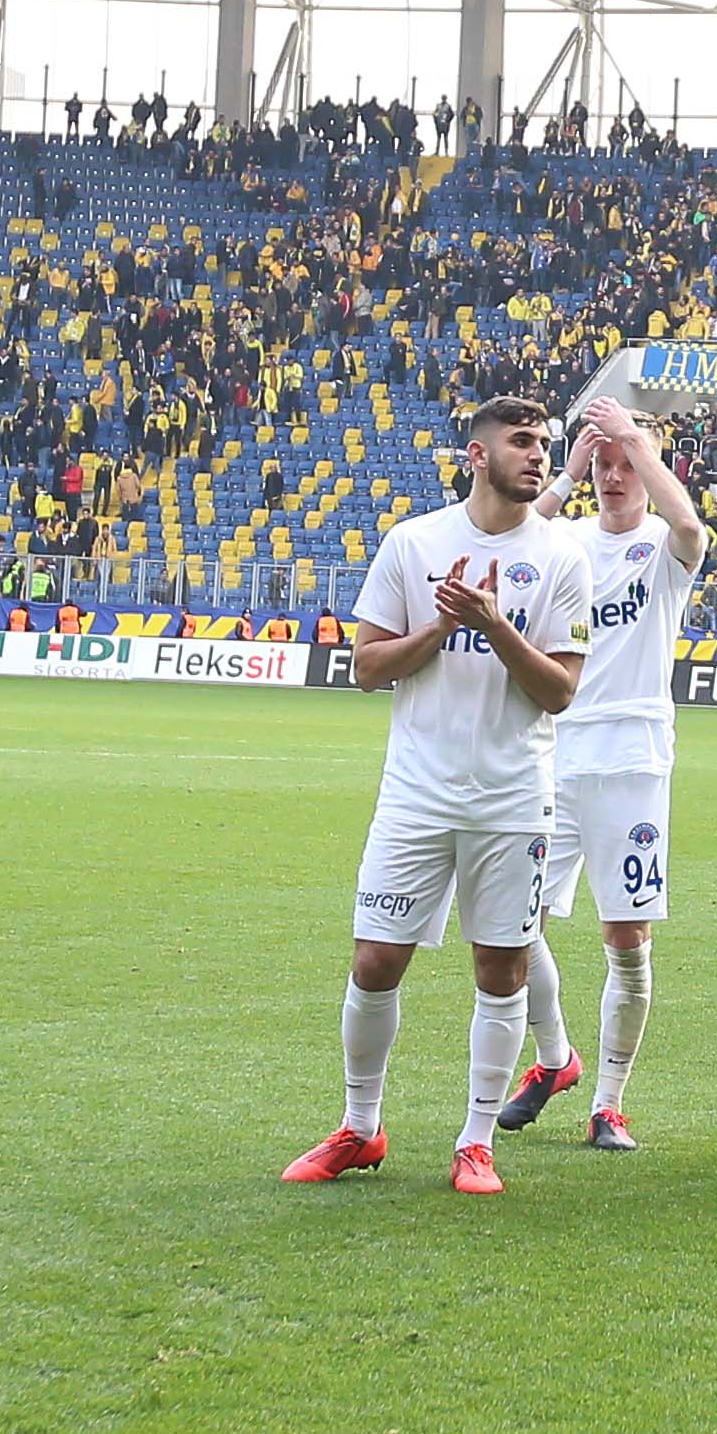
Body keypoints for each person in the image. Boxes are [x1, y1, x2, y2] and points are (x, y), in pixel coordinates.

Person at [286, 395, 588, 1195]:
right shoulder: (413, 541)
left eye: (544, 443)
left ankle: (476, 1143)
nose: (539, 455)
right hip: (416, 795)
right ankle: (360, 1127)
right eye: (522, 441)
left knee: (501, 967)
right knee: (376, 959)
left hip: (513, 796)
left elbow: (559, 691)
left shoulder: (561, 557)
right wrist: (442, 628)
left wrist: (494, 625)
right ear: (477, 455)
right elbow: (367, 667)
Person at [505, 397, 706, 1153]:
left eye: (627, 465)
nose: (615, 477)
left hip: (632, 759)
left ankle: (609, 1103)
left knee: (626, 937)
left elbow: (692, 528)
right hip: (554, 752)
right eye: (606, 466)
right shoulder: (568, 542)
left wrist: (634, 439)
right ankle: (556, 1056)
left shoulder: (664, 546)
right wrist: (569, 472)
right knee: (512, 922)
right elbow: (516, 540)